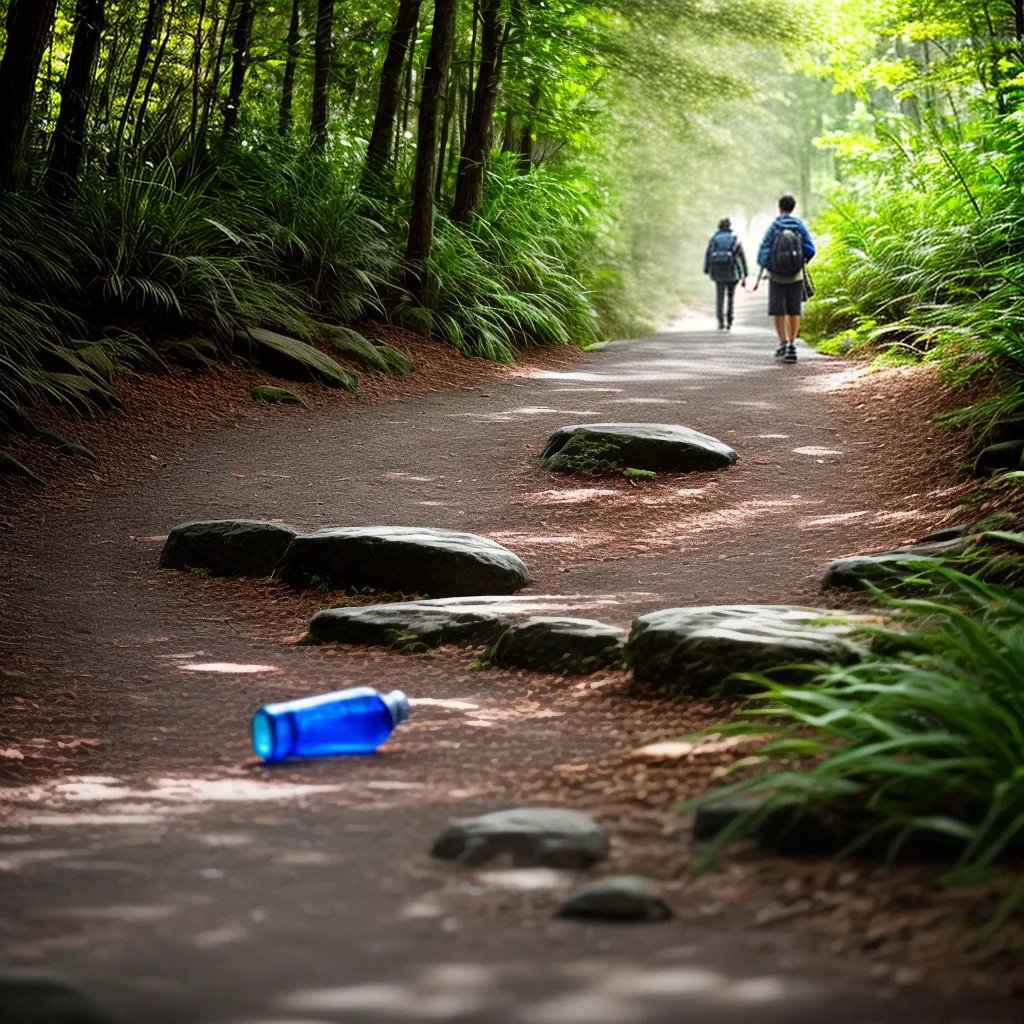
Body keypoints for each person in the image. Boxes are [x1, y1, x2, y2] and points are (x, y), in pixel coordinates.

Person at [757, 194, 816, 363]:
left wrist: (768, 264)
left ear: (780, 207)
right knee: (794, 310)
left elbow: (764, 250)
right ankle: (792, 345)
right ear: (793, 207)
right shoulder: (798, 226)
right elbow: (811, 249)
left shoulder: (774, 226)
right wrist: (800, 260)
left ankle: (782, 343)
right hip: (795, 275)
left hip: (776, 275)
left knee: (778, 311)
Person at [703, 217, 748, 331]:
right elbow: (741, 257)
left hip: (717, 271)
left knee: (719, 296)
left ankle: (720, 321)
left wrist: (707, 269)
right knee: (730, 297)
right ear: (729, 227)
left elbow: (708, 255)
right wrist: (744, 273)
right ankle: (729, 320)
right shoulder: (734, 239)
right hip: (731, 271)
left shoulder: (714, 239)